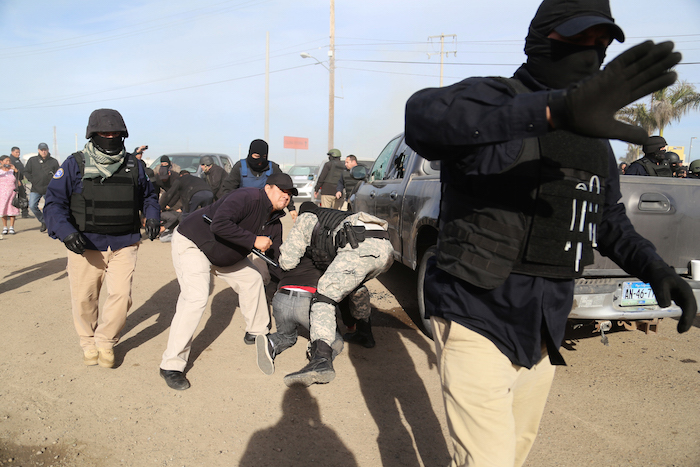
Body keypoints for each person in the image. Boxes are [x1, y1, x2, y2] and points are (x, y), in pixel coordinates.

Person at [403, 1, 697, 466]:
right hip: (476, 312)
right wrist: (554, 109)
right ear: (541, 39)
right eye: (579, 39)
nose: (591, 54)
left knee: (514, 454)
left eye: (601, 45)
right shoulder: (499, 100)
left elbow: (606, 219)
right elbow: (423, 116)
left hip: (545, 323)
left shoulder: (595, 141)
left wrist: (656, 269)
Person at [44, 109, 160, 368]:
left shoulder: (134, 165)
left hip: (124, 241)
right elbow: (53, 203)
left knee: (121, 295)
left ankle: (106, 342)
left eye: (115, 133)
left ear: (123, 135)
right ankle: (88, 342)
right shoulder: (75, 164)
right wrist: (67, 232)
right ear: (93, 135)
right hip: (85, 244)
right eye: (104, 133)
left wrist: (152, 216)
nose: (110, 137)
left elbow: (149, 196)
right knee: (85, 298)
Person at [159, 173, 296, 391]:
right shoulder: (246, 197)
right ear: (268, 188)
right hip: (194, 244)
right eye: (282, 191)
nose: (286, 197)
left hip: (224, 255)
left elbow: (276, 259)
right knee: (196, 298)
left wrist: (293, 281)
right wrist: (253, 240)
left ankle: (258, 333)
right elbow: (219, 224)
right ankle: (171, 365)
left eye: (290, 194)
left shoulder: (274, 223)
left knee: (252, 278)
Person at [279, 203, 394, 387]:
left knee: (324, 295)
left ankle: (321, 359)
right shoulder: (332, 217)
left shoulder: (305, 218)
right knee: (354, 284)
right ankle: (365, 334)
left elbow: (287, 261)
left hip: (359, 247)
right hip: (385, 247)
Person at [221, 139, 297, 220]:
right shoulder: (240, 166)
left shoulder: (273, 168)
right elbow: (228, 189)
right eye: (256, 157)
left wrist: (291, 208)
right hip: (243, 211)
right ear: (250, 154)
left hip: (266, 213)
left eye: (264, 157)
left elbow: (286, 187)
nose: (260, 161)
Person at [24, 142, 60, 232]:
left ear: (48, 150)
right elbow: (26, 172)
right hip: (36, 188)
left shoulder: (53, 161)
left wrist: (55, 183)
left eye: (45, 150)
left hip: (49, 189)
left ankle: (52, 224)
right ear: (38, 150)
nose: (43, 152)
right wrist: (32, 180)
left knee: (50, 207)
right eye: (42, 150)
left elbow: (59, 174)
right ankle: (43, 221)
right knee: (32, 206)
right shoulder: (32, 160)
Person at [0, 155, 20, 235]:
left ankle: (12, 227)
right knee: (3, 210)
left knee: (12, 209)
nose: (8, 163)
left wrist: (15, 170)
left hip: (12, 192)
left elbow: (19, 178)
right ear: (1, 162)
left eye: (9, 161)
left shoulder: (12, 171)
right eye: (6, 161)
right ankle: (5, 227)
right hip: (2, 193)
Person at [9, 147, 29, 218]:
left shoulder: (18, 160)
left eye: (19, 152)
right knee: (13, 198)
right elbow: (11, 172)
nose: (18, 154)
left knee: (23, 197)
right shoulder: (10, 160)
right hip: (14, 182)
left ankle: (25, 213)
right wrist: (16, 180)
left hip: (20, 180)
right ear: (12, 152)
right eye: (16, 152)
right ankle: (9, 214)